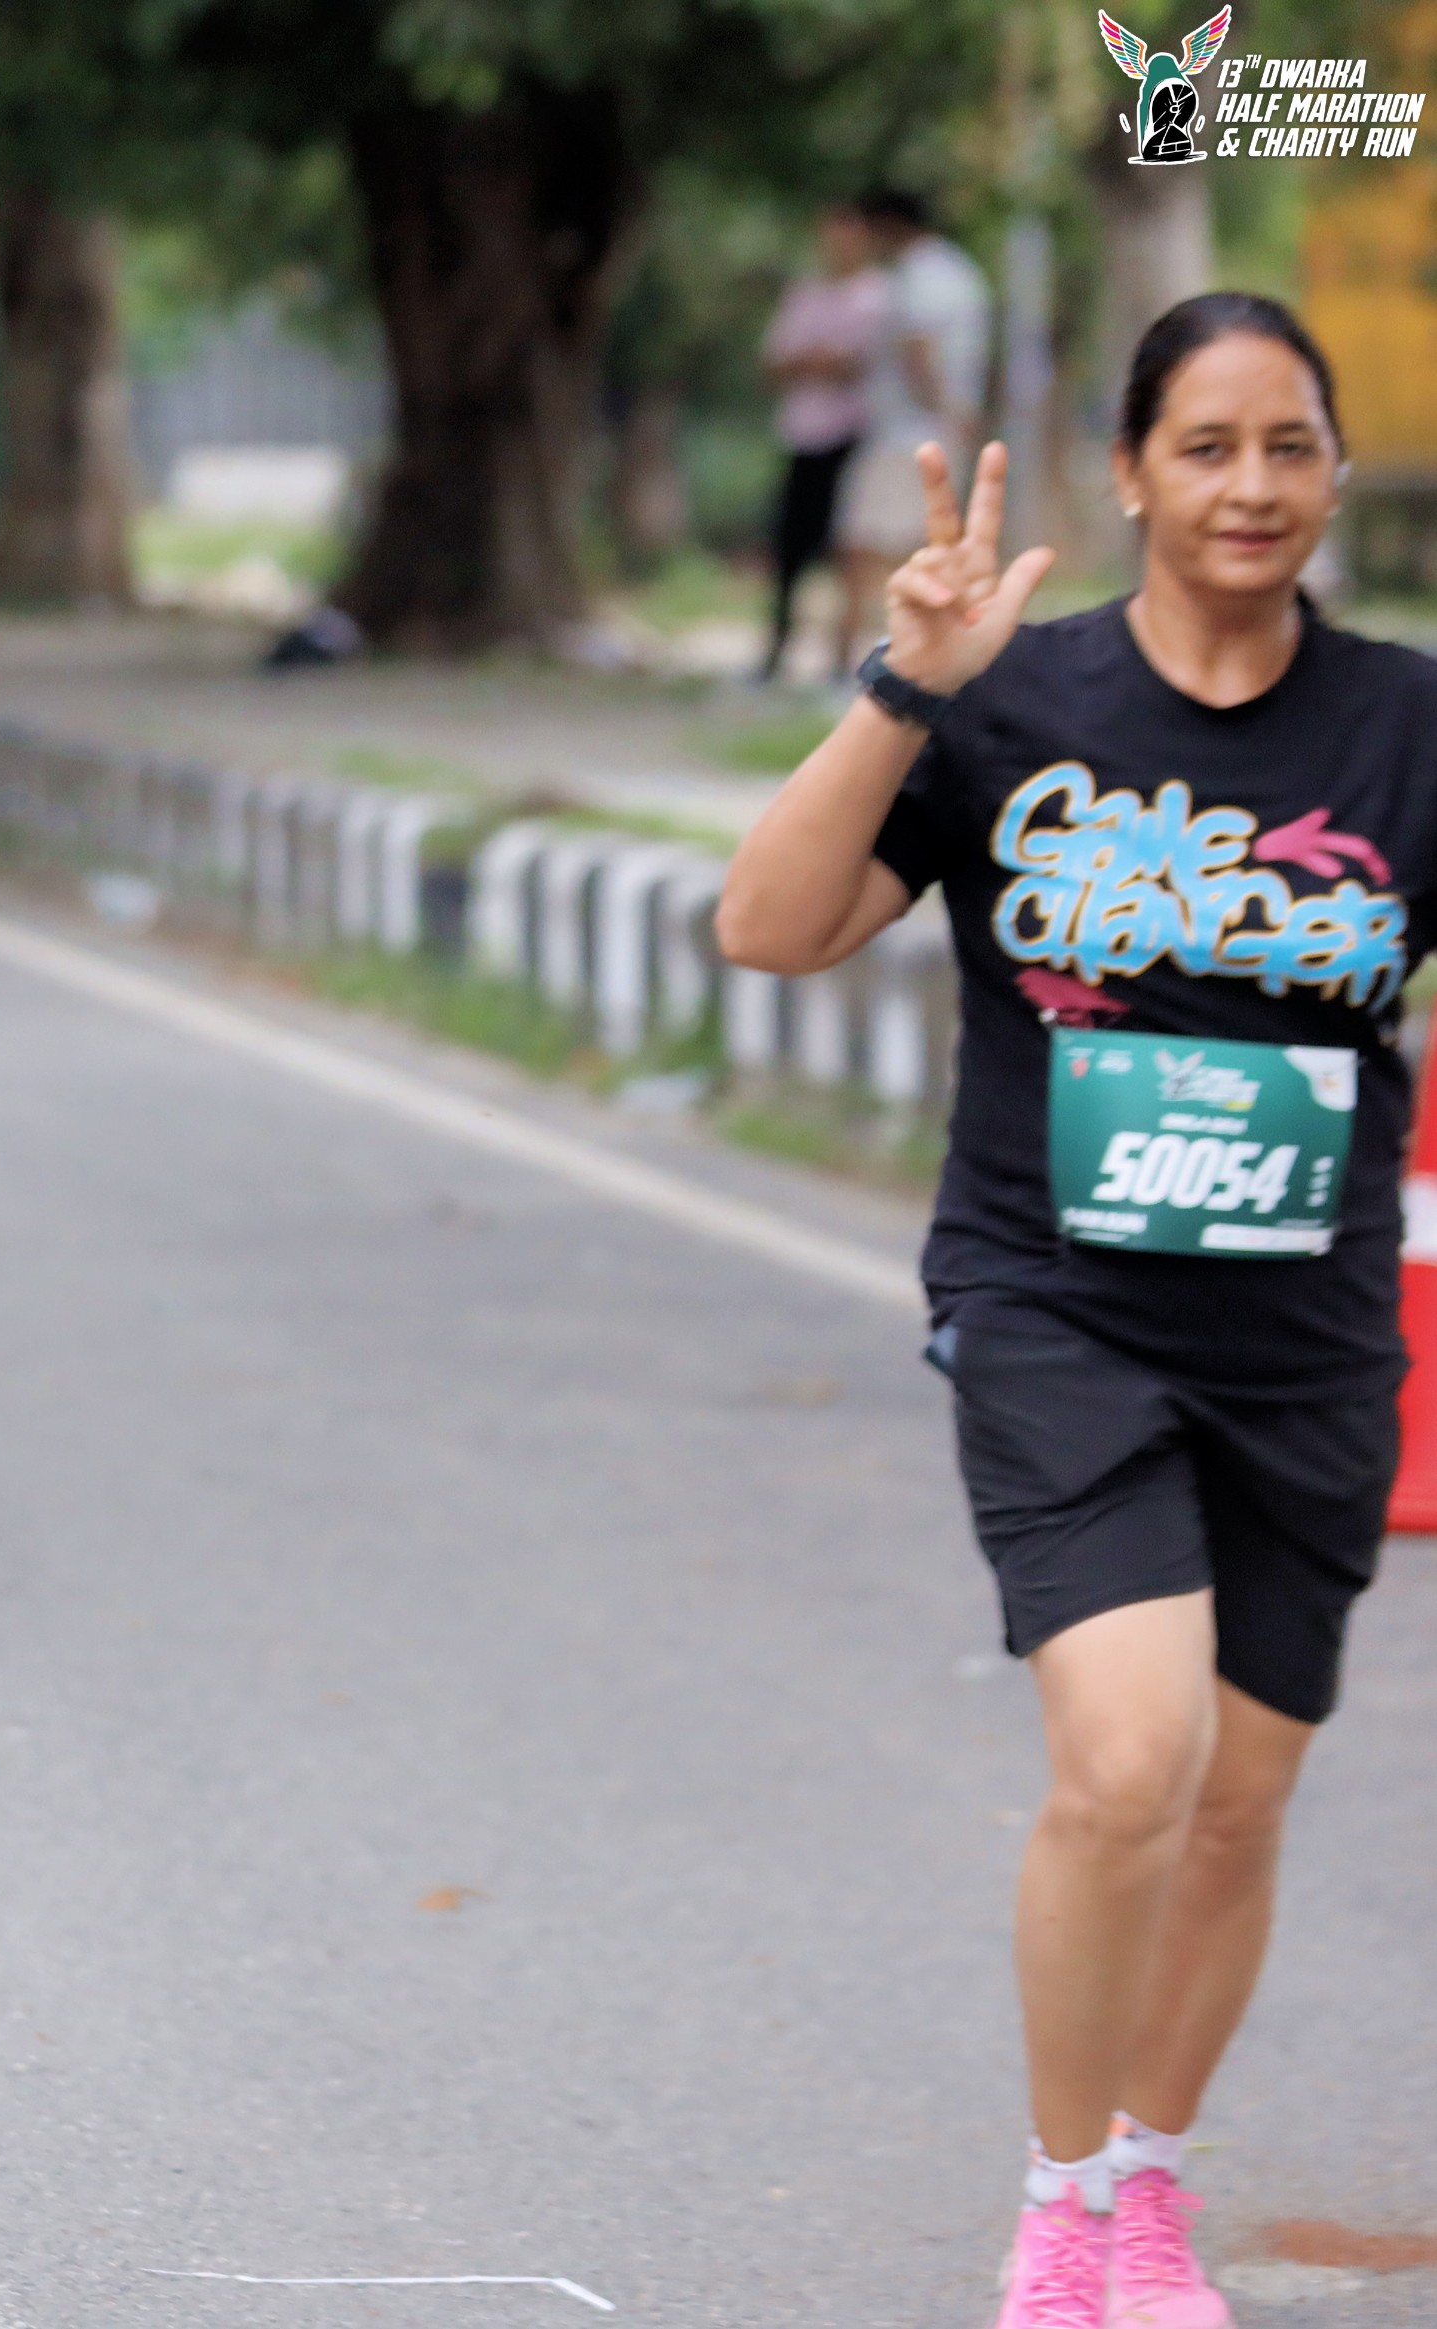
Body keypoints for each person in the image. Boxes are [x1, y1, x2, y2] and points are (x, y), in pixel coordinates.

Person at [718, 295, 1425, 2329]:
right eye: (1203, 446)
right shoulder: (1010, 701)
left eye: (1286, 446)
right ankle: (1054, 2210)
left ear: (1332, 473)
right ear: (1126, 473)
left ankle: (1146, 2182)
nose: (1248, 487)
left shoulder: (1403, 724)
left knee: (1238, 1799)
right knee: (1129, 1760)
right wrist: (899, 689)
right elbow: (766, 924)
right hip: (1057, 1303)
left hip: (1306, 1332)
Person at [835, 189, 993, 633]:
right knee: (922, 545)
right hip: (929, 430)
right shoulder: (956, 271)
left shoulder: (917, 276)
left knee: (866, 545)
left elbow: (918, 351)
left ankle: (858, 650)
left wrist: (946, 410)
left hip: (907, 434)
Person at [754, 205, 884, 685]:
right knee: (788, 548)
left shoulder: (879, 297)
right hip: (803, 435)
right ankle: (776, 648)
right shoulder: (805, 294)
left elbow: (856, 366)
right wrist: (817, 362)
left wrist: (816, 362)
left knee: (848, 550)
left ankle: (840, 656)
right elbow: (775, 363)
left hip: (854, 438)